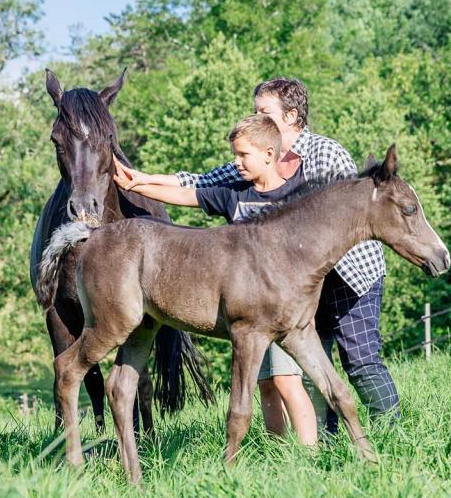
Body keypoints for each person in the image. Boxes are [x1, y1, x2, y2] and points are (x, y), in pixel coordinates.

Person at [120, 77, 400, 432]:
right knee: (314, 367)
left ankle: (392, 432)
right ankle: (327, 445)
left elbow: (351, 217)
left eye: (264, 111)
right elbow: (200, 183)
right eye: (255, 111)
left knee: (360, 359)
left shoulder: (324, 154)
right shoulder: (256, 155)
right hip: (299, 281)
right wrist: (138, 179)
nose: (257, 116)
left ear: (292, 116)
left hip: (350, 272)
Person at [114, 113, 318, 446]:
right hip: (249, 312)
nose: (236, 163)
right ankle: (279, 451)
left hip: (283, 307)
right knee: (265, 383)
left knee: (286, 380)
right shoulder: (234, 196)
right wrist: (137, 184)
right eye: (235, 155)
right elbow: (188, 193)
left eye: (243, 155)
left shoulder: (296, 196)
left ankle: (310, 452)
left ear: (269, 154)